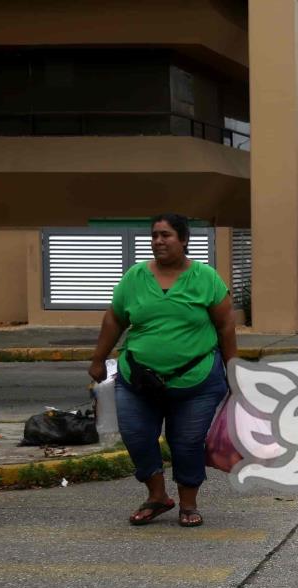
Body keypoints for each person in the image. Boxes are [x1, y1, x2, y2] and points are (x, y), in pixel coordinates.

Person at [88, 214, 237, 528]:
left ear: (183, 240)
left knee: (187, 441)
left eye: (166, 235)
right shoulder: (135, 277)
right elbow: (114, 320)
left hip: (195, 380)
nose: (158, 241)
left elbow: (225, 325)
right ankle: (157, 497)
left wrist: (233, 368)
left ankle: (188, 504)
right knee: (137, 436)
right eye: (154, 235)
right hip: (137, 379)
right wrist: (98, 358)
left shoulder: (205, 278)